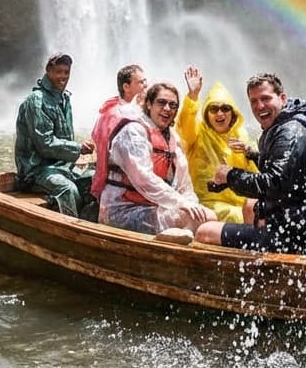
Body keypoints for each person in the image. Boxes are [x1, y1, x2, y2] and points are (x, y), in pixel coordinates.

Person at [195, 73, 306, 255]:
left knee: (205, 232)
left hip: (304, 234)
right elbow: (285, 168)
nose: (259, 106)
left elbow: (274, 182)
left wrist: (230, 175)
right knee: (251, 206)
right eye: (254, 101)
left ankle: (247, 277)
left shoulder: (290, 132)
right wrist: (251, 155)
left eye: (265, 98)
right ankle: (256, 267)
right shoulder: (287, 124)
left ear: (282, 98)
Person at [100, 81, 215, 236]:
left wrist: (191, 204)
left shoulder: (172, 137)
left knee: (205, 216)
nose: (167, 109)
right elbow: (143, 179)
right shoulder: (133, 131)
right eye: (161, 103)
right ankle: (180, 238)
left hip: (154, 207)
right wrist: (180, 203)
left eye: (173, 105)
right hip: (122, 209)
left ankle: (183, 236)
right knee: (199, 218)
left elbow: (184, 185)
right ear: (148, 104)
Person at [14, 51, 95, 217]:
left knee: (95, 178)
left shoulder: (64, 98)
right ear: (48, 71)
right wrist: (78, 148)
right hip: (35, 170)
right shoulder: (36, 100)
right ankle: (70, 234)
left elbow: (64, 140)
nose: (63, 76)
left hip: (61, 166)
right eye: (58, 71)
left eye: (66, 72)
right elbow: (45, 144)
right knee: (68, 189)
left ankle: (91, 226)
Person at [176, 65, 258, 223]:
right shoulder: (198, 133)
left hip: (240, 203)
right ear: (206, 113)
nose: (220, 113)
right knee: (238, 217)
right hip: (207, 203)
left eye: (225, 108)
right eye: (213, 109)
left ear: (233, 113)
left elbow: (255, 174)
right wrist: (193, 96)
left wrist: (249, 152)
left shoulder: (242, 135)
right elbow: (185, 127)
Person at [90, 63, 147, 202]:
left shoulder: (135, 109)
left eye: (145, 81)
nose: (146, 85)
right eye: (141, 82)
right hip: (118, 187)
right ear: (126, 87)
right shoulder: (113, 114)